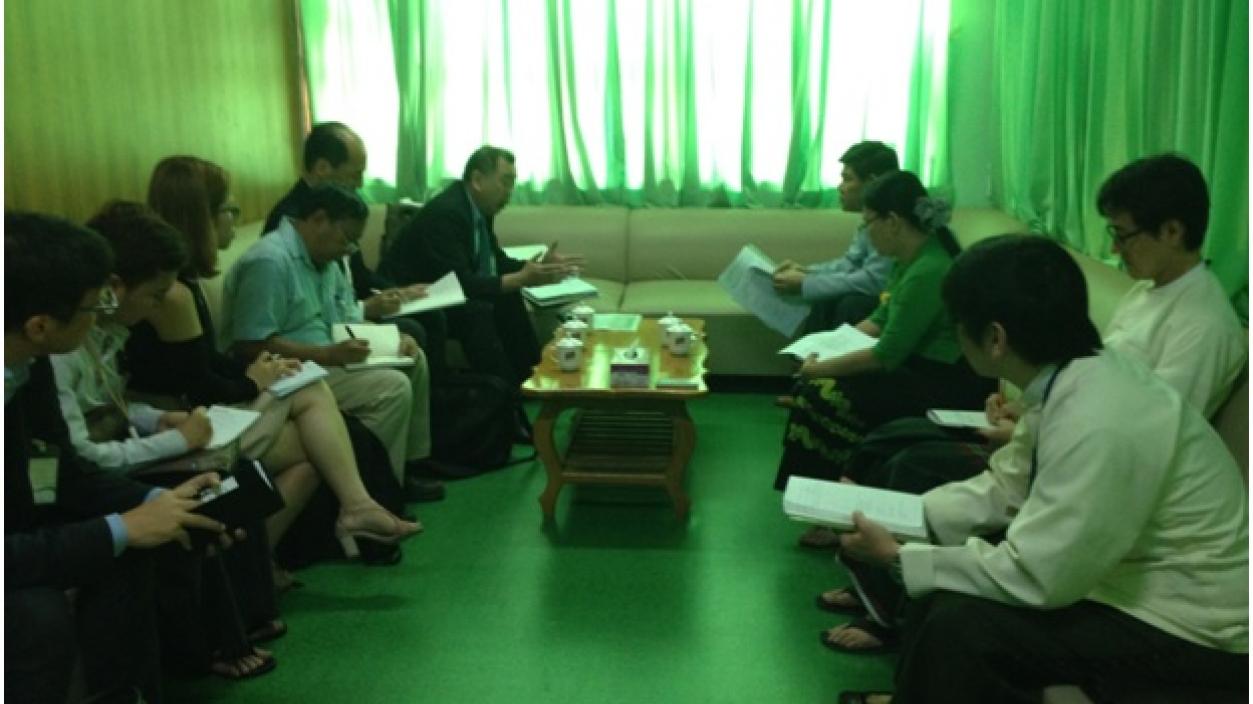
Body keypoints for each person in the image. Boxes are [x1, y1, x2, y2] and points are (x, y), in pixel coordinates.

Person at [818, 154, 1251, 647]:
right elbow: (1005, 487)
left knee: (957, 616)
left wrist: (900, 558)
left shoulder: (1194, 333)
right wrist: (891, 513)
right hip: (1114, 538)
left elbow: (1042, 572)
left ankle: (886, 619)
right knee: (914, 485)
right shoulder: (1093, 359)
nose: (1114, 248)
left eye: (1122, 234)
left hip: (1181, 613)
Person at [111, 182, 420, 560]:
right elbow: (200, 384)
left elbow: (202, 364)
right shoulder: (174, 295)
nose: (235, 219)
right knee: (317, 411)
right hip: (186, 426)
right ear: (200, 219)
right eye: (228, 211)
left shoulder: (179, 287)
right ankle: (351, 512)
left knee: (310, 414)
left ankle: (272, 557)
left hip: (186, 418)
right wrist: (252, 381)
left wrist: (260, 374)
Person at [50, 202, 289, 680]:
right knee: (204, 494)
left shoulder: (104, 333)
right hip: (88, 479)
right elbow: (82, 457)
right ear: (114, 287)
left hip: (116, 456)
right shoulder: (63, 351)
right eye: (155, 296)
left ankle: (247, 616)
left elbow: (112, 407)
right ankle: (213, 644)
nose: (159, 308)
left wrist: (158, 419)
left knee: (237, 480)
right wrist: (178, 441)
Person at [5, 212, 226, 704]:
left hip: (23, 522)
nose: (103, 312)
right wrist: (121, 527)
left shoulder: (25, 363)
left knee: (141, 547)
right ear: (40, 326)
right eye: (94, 304)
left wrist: (158, 501)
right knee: (36, 615)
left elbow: (67, 471)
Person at [771, 171, 992, 503]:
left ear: (893, 222)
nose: (865, 232)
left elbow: (886, 354)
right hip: (915, 366)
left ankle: (829, 500)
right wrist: (827, 348)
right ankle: (812, 497)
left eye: (867, 223)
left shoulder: (929, 270)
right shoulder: (908, 260)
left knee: (824, 391)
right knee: (817, 386)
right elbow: (879, 319)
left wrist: (822, 368)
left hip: (944, 381)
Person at [262, 125, 447, 500]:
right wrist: (360, 321)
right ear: (323, 168)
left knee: (414, 344)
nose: (361, 183)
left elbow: (351, 285)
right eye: (355, 173)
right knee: (408, 350)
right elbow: (270, 333)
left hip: (338, 325)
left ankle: (409, 466)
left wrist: (386, 297)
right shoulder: (290, 228)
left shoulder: (339, 213)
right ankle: (379, 483)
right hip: (315, 348)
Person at [220, 183, 437, 497]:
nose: (350, 249)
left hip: (326, 357)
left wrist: (392, 338)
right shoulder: (270, 262)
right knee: (392, 388)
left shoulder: (326, 261)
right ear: (319, 220)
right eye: (346, 238)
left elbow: (346, 316)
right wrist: (327, 354)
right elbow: (250, 345)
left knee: (414, 359)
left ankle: (405, 471)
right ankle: (372, 489)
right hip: (289, 371)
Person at [379, 145, 581, 424]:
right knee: (478, 311)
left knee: (508, 296)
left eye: (513, 183)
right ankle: (505, 405)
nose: (509, 192)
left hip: (446, 291)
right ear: (477, 180)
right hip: (412, 298)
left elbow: (495, 262)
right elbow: (460, 283)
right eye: (505, 182)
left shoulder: (478, 209)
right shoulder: (448, 213)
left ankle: (531, 382)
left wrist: (537, 266)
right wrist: (521, 278)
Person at [771, 141, 896, 334]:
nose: (840, 187)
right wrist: (807, 272)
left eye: (847, 179)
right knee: (825, 298)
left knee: (852, 304)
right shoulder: (871, 219)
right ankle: (811, 353)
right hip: (879, 292)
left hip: (892, 298)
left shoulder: (893, 223)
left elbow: (874, 281)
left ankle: (834, 354)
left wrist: (806, 283)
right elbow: (850, 264)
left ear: (872, 183)